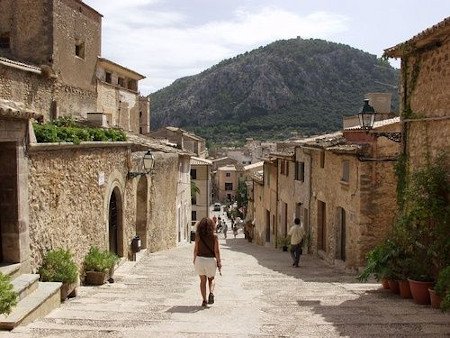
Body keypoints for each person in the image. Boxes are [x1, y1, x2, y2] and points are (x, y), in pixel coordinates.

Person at [193, 218, 222, 307]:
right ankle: (211, 293)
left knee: (202, 281)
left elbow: (195, 250)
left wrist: (194, 259)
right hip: (210, 260)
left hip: (200, 260)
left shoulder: (198, 236)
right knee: (211, 279)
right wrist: (219, 262)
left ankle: (204, 300)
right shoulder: (214, 236)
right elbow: (216, 251)